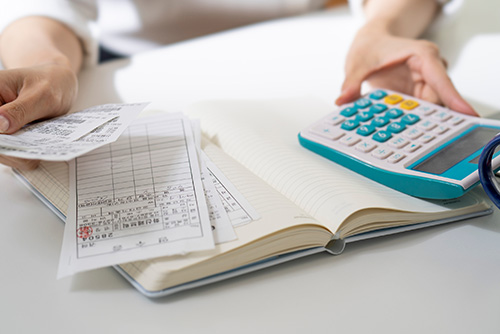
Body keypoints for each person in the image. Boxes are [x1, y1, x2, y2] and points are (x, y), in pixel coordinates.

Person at [0, 0, 476, 170]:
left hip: (302, 53)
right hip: (126, 65)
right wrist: (49, 65)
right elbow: (39, 8)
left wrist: (382, 27)